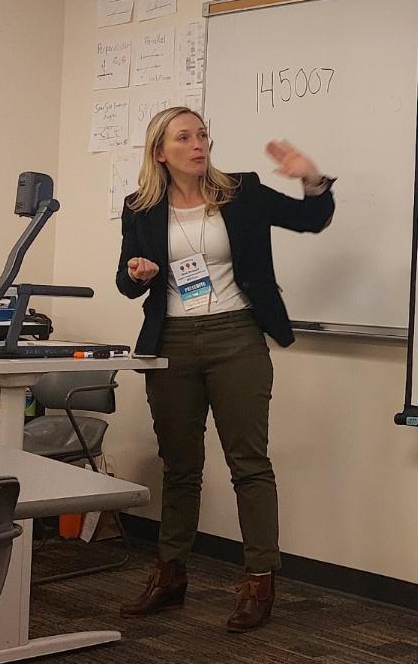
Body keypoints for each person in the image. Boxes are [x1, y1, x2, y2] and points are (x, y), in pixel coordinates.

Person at [115, 106, 335, 633]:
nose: (198, 144)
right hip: (171, 342)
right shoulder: (140, 207)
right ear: (159, 151)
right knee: (181, 463)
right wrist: (138, 272)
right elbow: (126, 279)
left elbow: (311, 219)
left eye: (203, 134)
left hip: (237, 336)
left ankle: (260, 579)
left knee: (248, 462)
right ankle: (170, 574)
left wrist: (311, 176)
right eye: (184, 137)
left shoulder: (242, 190)